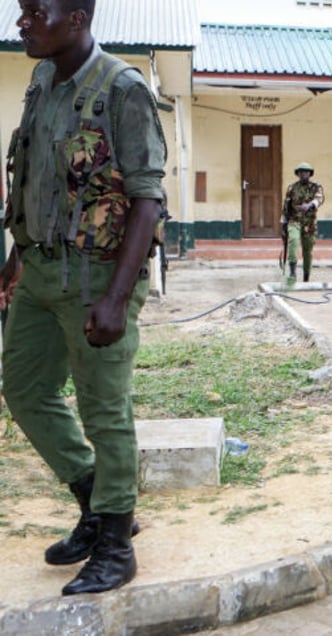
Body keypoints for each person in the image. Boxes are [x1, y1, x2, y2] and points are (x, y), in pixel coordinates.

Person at [0, 0, 166, 596]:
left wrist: (118, 298)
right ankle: (96, 502)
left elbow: (147, 199)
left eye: (34, 11)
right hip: (41, 270)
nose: (22, 22)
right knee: (22, 386)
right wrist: (17, 258)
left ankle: (117, 548)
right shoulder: (42, 79)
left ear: (75, 19)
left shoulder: (123, 90)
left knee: (104, 409)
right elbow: (38, 177)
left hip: (98, 276)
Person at [282, 162, 324, 282]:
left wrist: (310, 205)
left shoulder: (316, 187)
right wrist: (283, 226)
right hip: (294, 221)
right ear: (298, 174)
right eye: (301, 172)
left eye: (306, 172)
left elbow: (319, 199)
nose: (303, 174)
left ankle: (306, 276)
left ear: (310, 174)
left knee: (307, 251)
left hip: (309, 223)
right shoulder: (292, 188)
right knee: (293, 242)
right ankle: (292, 273)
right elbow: (286, 207)